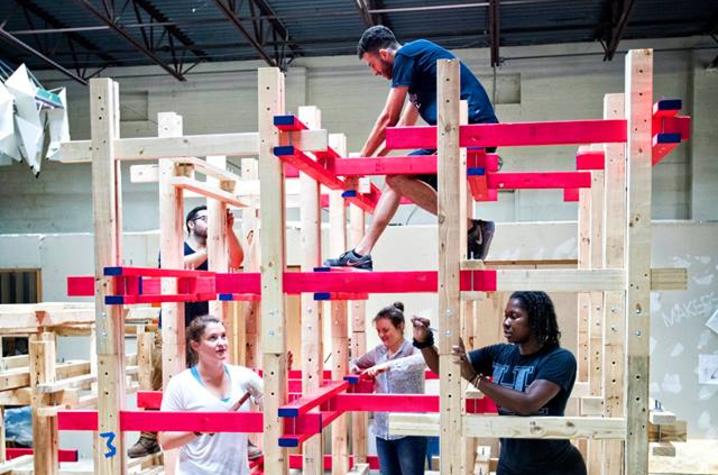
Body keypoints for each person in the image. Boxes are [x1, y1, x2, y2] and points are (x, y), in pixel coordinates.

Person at [324, 26, 498, 271]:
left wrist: (360, 162)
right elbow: (402, 129)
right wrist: (371, 163)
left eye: (371, 64)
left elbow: (388, 119)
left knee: (396, 175)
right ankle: (362, 253)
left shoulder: (407, 55)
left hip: (471, 134)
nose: (374, 72)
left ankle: (471, 228)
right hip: (451, 137)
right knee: (394, 176)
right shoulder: (418, 75)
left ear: (384, 54)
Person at [411, 291, 586, 475]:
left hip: (555, 468)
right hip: (510, 466)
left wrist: (475, 378)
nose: (506, 322)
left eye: (514, 316)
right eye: (505, 316)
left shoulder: (559, 359)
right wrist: (424, 342)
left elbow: (528, 404)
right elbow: (444, 368)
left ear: (535, 320)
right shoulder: (499, 353)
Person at [128, 205, 254, 458]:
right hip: (174, 329)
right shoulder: (176, 247)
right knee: (160, 380)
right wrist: (208, 251)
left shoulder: (219, 249)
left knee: (219, 383)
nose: (210, 222)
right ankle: (150, 436)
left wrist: (227, 230)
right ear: (190, 224)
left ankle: (241, 438)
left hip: (207, 332)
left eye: (213, 218)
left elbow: (237, 259)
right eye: (204, 218)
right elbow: (177, 267)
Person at [158, 315, 263, 475]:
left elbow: (274, 403)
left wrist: (282, 374)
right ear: (195, 345)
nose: (221, 343)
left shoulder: (244, 377)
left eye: (223, 336)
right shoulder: (180, 384)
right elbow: (165, 441)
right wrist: (200, 429)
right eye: (212, 338)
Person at [351, 302, 428, 475]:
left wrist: (389, 365)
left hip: (409, 431)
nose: (381, 335)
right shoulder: (378, 352)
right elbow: (355, 362)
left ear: (400, 326)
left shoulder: (412, 349)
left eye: (385, 330)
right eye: (378, 331)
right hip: (383, 431)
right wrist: (355, 369)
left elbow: (423, 360)